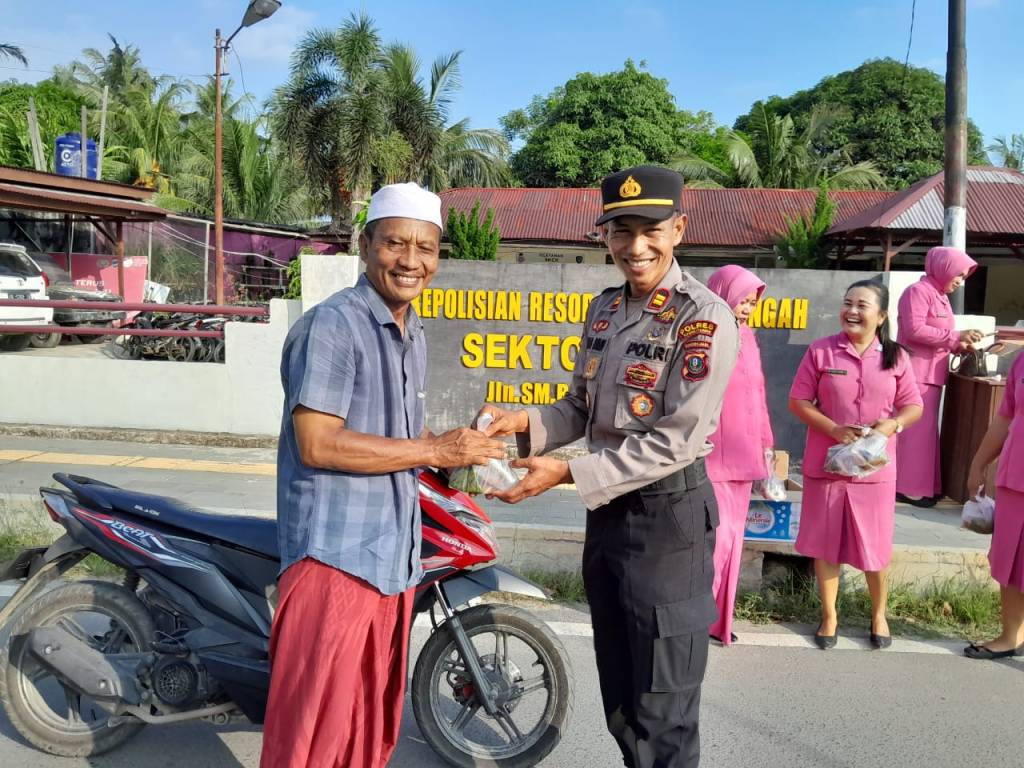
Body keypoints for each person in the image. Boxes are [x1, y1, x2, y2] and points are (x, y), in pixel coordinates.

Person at [481, 165, 740, 768]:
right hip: (610, 516)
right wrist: (524, 423)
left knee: (663, 703)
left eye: (650, 229)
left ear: (677, 228)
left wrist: (566, 473)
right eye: (621, 230)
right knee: (621, 691)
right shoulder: (604, 311)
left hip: (668, 520)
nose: (636, 246)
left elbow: (677, 439)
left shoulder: (703, 319)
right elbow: (581, 404)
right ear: (606, 236)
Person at [260, 183, 505, 768]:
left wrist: (461, 449)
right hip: (335, 558)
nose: (411, 261)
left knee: (366, 728)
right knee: (312, 736)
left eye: (425, 247)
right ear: (366, 245)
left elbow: (401, 444)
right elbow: (317, 443)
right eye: (395, 243)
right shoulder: (334, 327)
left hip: (393, 560)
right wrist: (435, 450)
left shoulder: (410, 331)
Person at [788, 280, 923, 651]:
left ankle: (879, 614)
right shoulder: (821, 352)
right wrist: (833, 428)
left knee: (874, 548)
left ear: (880, 316)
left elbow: (914, 405)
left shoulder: (897, 357)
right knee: (826, 545)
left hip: (874, 471)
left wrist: (892, 423)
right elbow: (798, 400)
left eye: (862, 305)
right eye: (848, 303)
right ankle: (829, 616)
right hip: (827, 468)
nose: (852, 311)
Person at [705, 265, 774, 646]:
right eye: (743, 299)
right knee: (715, 540)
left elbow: (758, 397)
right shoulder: (705, 333)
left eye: (751, 302)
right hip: (712, 454)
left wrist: (766, 445)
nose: (747, 308)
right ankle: (699, 617)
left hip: (745, 455)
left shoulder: (747, 335)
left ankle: (718, 620)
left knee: (732, 542)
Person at [896, 246, 982, 507]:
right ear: (944, 268)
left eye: (963, 277)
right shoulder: (918, 292)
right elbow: (914, 330)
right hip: (915, 372)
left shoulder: (940, 297)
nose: (960, 281)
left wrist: (959, 344)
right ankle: (907, 487)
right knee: (915, 433)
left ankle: (924, 485)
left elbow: (940, 336)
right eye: (958, 274)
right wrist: (955, 337)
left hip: (931, 373)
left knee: (925, 432)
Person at [964, 349, 1024, 659]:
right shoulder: (1022, 361)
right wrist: (978, 463)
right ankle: (1011, 635)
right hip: (1015, 476)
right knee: (1010, 559)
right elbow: (1005, 416)